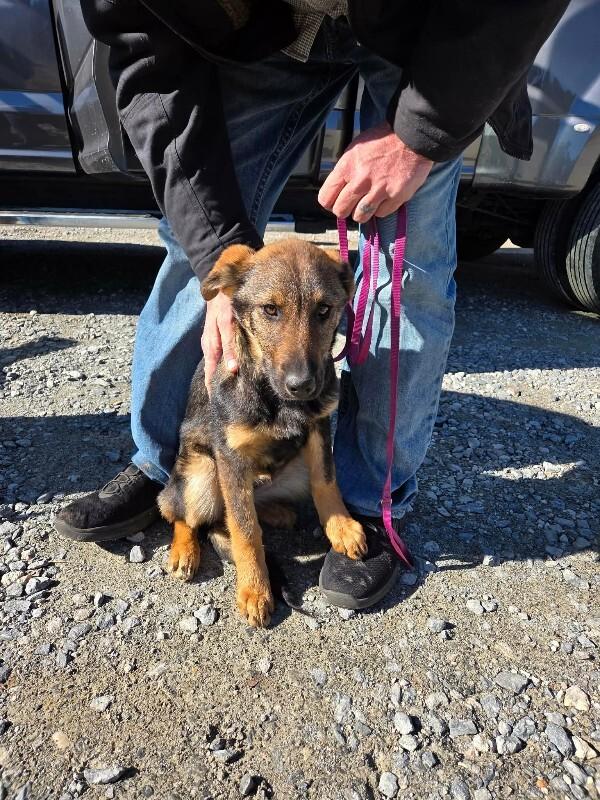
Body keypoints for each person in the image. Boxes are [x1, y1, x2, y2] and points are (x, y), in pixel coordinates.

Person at [54, 0, 568, 609]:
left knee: (413, 271)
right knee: (195, 243)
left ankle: (370, 498)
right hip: (263, 31)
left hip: (428, 37)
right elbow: (148, 62)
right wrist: (219, 258)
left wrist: (420, 132)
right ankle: (164, 464)